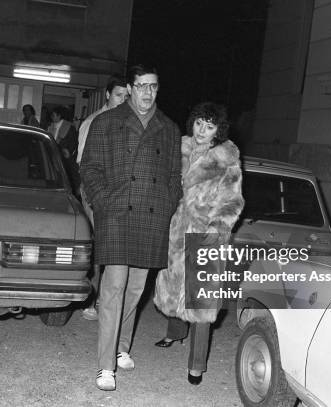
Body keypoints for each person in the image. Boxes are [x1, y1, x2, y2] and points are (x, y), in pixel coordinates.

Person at [80, 64, 182, 391]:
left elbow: (173, 177)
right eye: (141, 86)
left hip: (152, 215)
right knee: (113, 288)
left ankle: (123, 346)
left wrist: (168, 203)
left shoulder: (168, 128)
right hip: (116, 212)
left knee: (137, 288)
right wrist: (103, 200)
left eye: (153, 86)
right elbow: (89, 167)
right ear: (130, 87)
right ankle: (105, 366)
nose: (147, 93)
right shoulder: (106, 122)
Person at [153, 102, 244, 385]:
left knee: (202, 303)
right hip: (176, 229)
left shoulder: (226, 160)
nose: (202, 131)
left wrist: (215, 231)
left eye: (210, 126)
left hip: (206, 233)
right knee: (173, 286)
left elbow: (232, 202)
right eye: (199, 124)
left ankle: (196, 365)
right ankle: (175, 333)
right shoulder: (178, 149)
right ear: (192, 123)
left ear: (219, 130)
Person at [77, 76, 128, 321]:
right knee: (100, 247)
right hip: (97, 193)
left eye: (127, 96)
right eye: (119, 95)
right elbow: (83, 164)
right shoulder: (93, 122)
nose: (123, 100)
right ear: (108, 95)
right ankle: (92, 300)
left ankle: (110, 303)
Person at [48, 106, 79, 196]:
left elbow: (73, 141)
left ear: (59, 116)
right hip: (54, 154)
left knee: (67, 175)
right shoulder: (51, 126)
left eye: (53, 115)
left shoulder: (69, 126)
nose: (52, 117)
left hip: (65, 155)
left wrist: (68, 150)